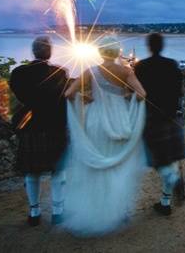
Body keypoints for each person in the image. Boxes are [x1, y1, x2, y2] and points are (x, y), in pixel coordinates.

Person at [63, 36, 147, 235]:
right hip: (119, 121)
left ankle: (99, 208)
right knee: (118, 166)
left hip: (96, 122)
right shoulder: (126, 71)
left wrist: (85, 96)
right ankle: (121, 209)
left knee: (98, 168)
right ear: (118, 52)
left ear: (100, 52)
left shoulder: (90, 71)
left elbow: (68, 94)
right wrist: (126, 96)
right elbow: (142, 94)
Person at [9, 36, 69, 227]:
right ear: (50, 52)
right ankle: (58, 212)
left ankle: (34, 212)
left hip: (30, 127)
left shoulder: (18, 73)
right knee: (58, 171)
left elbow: (17, 97)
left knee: (31, 171)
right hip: (54, 127)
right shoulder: (60, 72)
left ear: (33, 52)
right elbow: (63, 98)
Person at [136, 33, 185, 215]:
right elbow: (180, 91)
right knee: (170, 160)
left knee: (158, 160)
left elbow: (138, 93)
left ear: (149, 47)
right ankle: (165, 202)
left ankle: (174, 181)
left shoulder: (141, 66)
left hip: (152, 119)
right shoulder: (172, 64)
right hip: (172, 117)